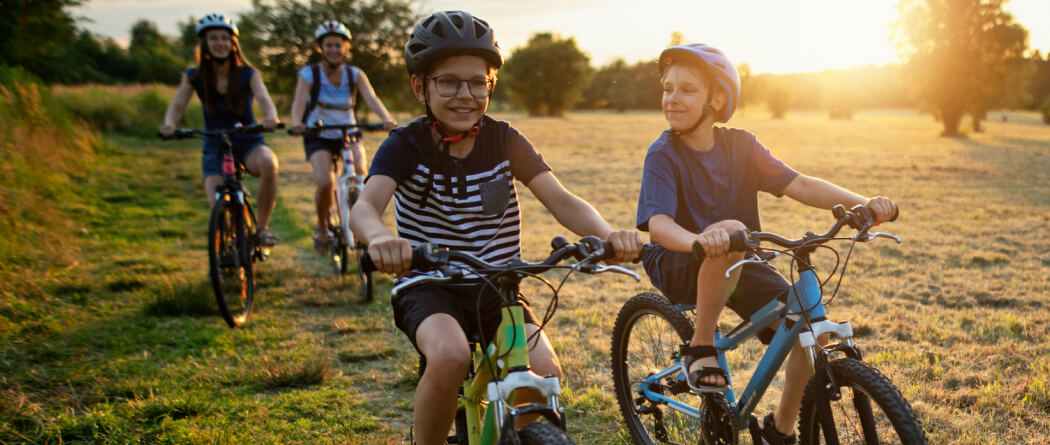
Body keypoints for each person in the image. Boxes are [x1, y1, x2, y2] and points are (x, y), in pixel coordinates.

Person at [349, 11, 643, 445]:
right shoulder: (405, 144)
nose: (464, 94)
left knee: (545, 372)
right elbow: (365, 208)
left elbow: (561, 199)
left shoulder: (504, 139)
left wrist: (606, 234)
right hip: (429, 282)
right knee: (449, 356)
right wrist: (380, 239)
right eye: (448, 82)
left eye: (477, 82)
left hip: (498, 284)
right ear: (420, 87)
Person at [636, 43, 898, 444]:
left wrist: (864, 204)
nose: (672, 98)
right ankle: (700, 346)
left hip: (738, 259)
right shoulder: (663, 154)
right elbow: (658, 225)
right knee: (731, 231)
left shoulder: (741, 146)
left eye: (686, 89)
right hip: (678, 260)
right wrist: (699, 242)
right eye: (667, 88)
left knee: (811, 331)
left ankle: (780, 430)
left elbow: (801, 184)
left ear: (717, 98)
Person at [160, 13, 282, 246]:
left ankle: (262, 229)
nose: (220, 43)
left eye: (225, 38)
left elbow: (264, 99)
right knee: (218, 204)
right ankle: (227, 248)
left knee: (269, 163)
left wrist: (271, 117)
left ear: (233, 43)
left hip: (248, 140)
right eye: (213, 38)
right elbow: (178, 104)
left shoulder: (249, 73)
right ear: (204, 43)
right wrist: (169, 124)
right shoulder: (193, 76)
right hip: (214, 144)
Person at [289, 20, 397, 253]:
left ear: (346, 48)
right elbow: (298, 103)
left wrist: (386, 118)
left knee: (362, 175)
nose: (334, 50)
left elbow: (371, 98)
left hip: (348, 132)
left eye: (338, 45)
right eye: (329, 45)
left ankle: (363, 223)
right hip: (318, 134)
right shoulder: (309, 74)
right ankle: (322, 228)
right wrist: (297, 122)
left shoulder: (355, 74)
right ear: (320, 48)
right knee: (325, 182)